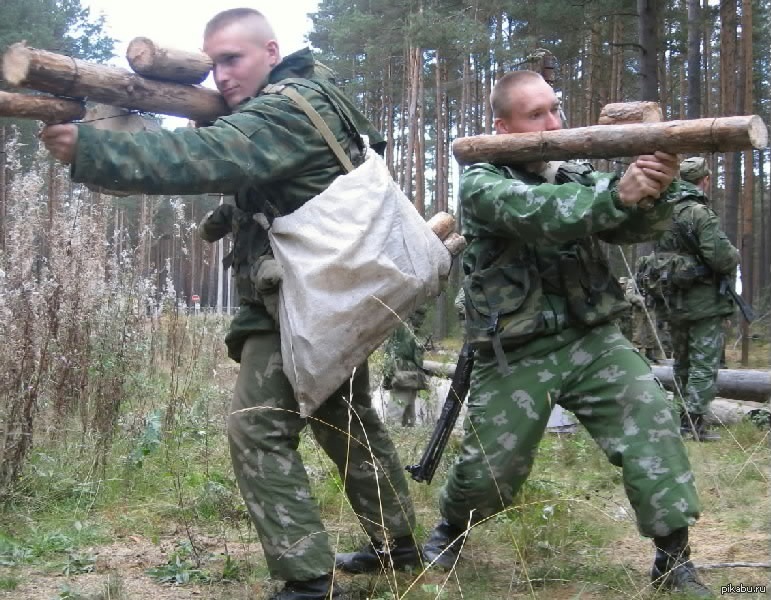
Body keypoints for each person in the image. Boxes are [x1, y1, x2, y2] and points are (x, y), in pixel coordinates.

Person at [40, 9, 420, 599]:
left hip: (301, 301)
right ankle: (397, 546)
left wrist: (90, 149)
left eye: (232, 60)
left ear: (271, 51)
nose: (220, 76)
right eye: (212, 62)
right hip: (335, 293)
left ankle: (305, 581)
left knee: (258, 428)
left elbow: (209, 158)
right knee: (346, 419)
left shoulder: (286, 109)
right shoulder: (310, 92)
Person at [422, 70, 712, 598]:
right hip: (516, 352)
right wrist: (616, 195)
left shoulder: (571, 174)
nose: (553, 122)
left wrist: (653, 191)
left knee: (650, 421)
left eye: (555, 109)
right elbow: (538, 214)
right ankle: (450, 530)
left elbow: (631, 225)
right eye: (536, 115)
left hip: (593, 339)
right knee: (491, 472)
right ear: (503, 126)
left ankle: (674, 560)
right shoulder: (482, 183)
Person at [653, 156, 740, 442]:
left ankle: (681, 418)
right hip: (703, 302)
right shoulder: (699, 214)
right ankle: (694, 424)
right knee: (704, 363)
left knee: (682, 362)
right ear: (704, 180)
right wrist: (735, 255)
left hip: (671, 300)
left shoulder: (662, 212)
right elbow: (721, 258)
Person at [382, 309, 428, 427]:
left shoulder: (404, 327)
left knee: (408, 415)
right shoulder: (404, 327)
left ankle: (404, 438)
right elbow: (410, 354)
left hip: (406, 374)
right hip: (404, 374)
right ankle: (396, 437)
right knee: (396, 415)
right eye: (420, 315)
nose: (422, 319)